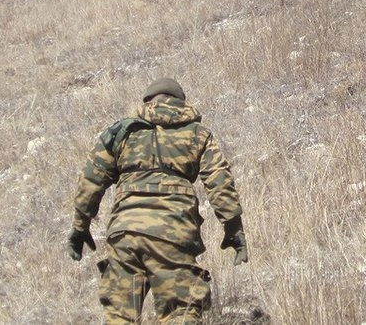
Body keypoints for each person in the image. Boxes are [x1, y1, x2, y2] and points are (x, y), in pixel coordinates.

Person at [66, 77, 248, 324]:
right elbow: (219, 181)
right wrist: (233, 229)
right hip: (173, 232)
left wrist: (80, 227)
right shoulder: (198, 134)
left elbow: (90, 180)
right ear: (180, 103)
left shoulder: (122, 132)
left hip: (125, 233)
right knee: (180, 313)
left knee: (119, 316)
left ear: (148, 101)